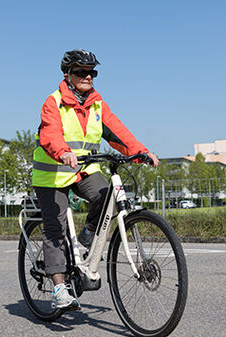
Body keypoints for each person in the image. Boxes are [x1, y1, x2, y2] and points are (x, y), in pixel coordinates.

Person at [32, 49, 159, 309]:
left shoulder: (98, 105)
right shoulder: (53, 102)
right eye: (81, 72)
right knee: (55, 229)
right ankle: (58, 288)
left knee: (105, 195)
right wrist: (63, 152)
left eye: (92, 72)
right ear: (67, 75)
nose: (87, 76)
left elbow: (118, 133)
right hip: (52, 172)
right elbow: (50, 134)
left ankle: (88, 234)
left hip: (84, 169)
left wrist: (141, 152)